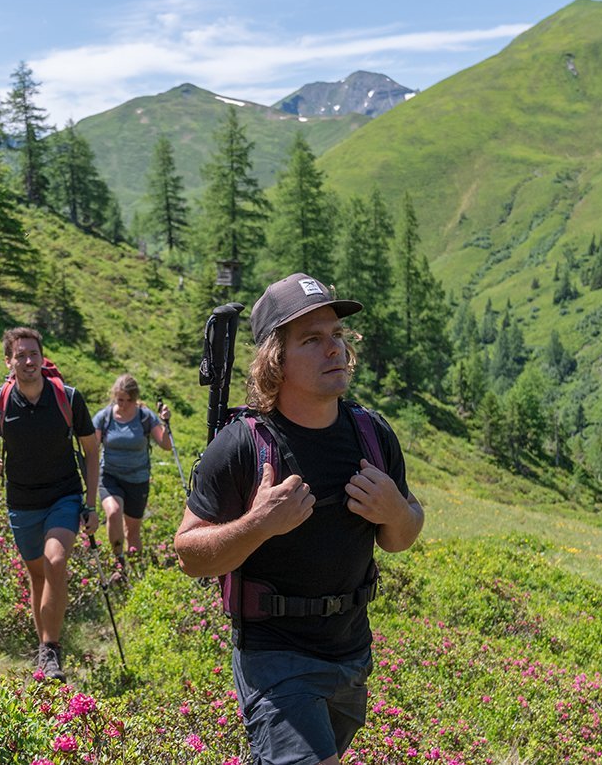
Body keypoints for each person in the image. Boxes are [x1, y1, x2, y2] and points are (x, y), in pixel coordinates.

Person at [174, 273, 426, 765]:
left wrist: (397, 511)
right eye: (312, 340)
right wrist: (259, 523)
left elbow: (401, 535)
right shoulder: (243, 445)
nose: (334, 349)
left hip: (351, 655)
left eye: (336, 336)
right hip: (275, 656)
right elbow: (188, 554)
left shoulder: (371, 435)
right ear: (276, 360)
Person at [0, 327, 101, 681]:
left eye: (34, 354)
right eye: (21, 355)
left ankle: (50, 651)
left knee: (55, 561)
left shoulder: (68, 398)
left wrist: (90, 504)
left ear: (42, 358)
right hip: (21, 501)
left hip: (63, 495)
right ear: (9, 361)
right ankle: (45, 648)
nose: (28, 361)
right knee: (37, 575)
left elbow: (91, 451)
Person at [90, 374, 172, 567]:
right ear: (114, 396)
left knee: (132, 531)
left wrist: (166, 423)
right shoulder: (104, 417)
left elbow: (165, 445)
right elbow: (92, 449)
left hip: (137, 479)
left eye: (130, 400)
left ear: (136, 398)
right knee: (113, 512)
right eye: (120, 399)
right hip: (110, 476)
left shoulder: (145, 416)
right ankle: (119, 562)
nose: (125, 404)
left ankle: (134, 567)